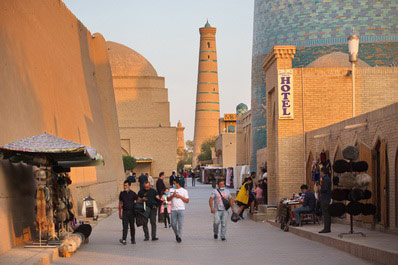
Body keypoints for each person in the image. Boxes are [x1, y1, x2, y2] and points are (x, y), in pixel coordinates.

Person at [168, 178, 189, 243]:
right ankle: (176, 234)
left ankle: (179, 236)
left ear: (178, 183)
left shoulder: (184, 191)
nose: (173, 185)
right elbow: (168, 199)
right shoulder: (171, 190)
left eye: (174, 183)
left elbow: (187, 200)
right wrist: (172, 196)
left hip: (181, 209)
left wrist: (180, 196)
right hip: (173, 209)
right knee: (173, 224)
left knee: (180, 224)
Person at [119, 180, 138, 245]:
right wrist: (120, 212)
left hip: (132, 212)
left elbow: (137, 200)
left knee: (132, 226)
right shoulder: (122, 194)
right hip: (125, 212)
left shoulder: (133, 193)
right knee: (125, 226)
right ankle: (124, 239)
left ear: (129, 186)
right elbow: (120, 203)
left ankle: (133, 239)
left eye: (126, 185)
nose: (125, 187)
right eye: (124, 185)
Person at [319, 167, 332, 233]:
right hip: (325, 198)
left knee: (326, 213)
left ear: (323, 172)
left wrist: (320, 189)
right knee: (326, 213)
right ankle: (326, 228)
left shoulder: (326, 179)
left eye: (320, 172)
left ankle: (327, 228)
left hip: (325, 198)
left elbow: (325, 189)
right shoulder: (325, 178)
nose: (320, 173)